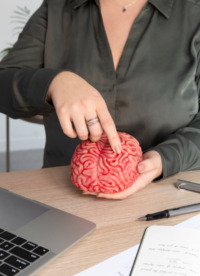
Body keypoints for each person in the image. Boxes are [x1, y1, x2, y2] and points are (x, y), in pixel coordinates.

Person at [0, 0, 200, 199]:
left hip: (167, 195)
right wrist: (54, 83)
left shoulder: (193, 14)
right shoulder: (57, 8)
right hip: (62, 197)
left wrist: (166, 159)